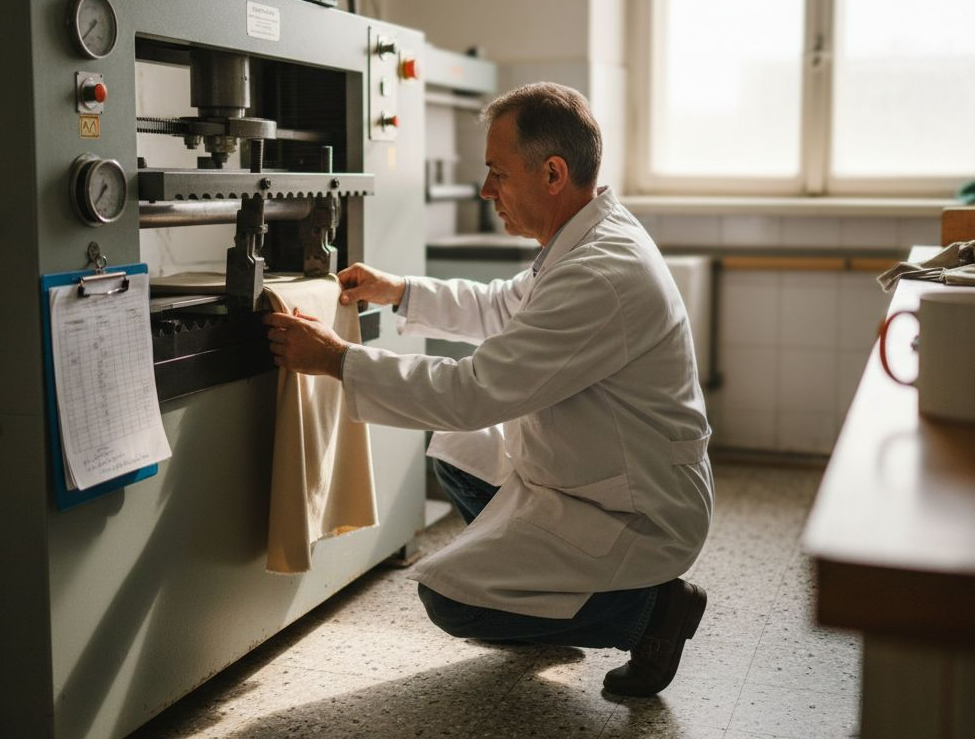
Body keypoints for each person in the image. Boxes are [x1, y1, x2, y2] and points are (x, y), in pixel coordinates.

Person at [265, 82, 712, 696]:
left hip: (636, 505)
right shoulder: (583, 238)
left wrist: (338, 360)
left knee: (451, 600)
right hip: (593, 467)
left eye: (498, 173)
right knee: (460, 447)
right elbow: (504, 307)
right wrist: (399, 290)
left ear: (553, 173)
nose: (486, 191)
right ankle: (546, 599)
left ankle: (652, 611)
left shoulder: (600, 272)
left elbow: (473, 390)